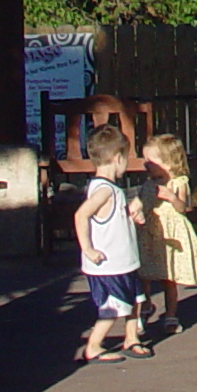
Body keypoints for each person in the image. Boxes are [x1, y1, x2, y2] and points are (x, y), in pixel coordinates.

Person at [73, 123, 150, 363]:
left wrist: (132, 214)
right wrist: (87, 248)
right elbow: (81, 214)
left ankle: (131, 339)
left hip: (124, 260)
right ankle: (94, 345)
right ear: (117, 158)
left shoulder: (111, 190)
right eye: (126, 158)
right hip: (109, 264)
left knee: (136, 299)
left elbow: (112, 217)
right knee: (114, 306)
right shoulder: (104, 191)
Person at [139, 132, 197, 336]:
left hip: (171, 231)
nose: (145, 164)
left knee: (169, 277)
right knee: (144, 274)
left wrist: (171, 197)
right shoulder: (148, 185)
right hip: (152, 232)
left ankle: (170, 314)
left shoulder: (178, 182)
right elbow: (141, 203)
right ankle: (146, 305)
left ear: (168, 162)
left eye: (151, 160)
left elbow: (182, 207)